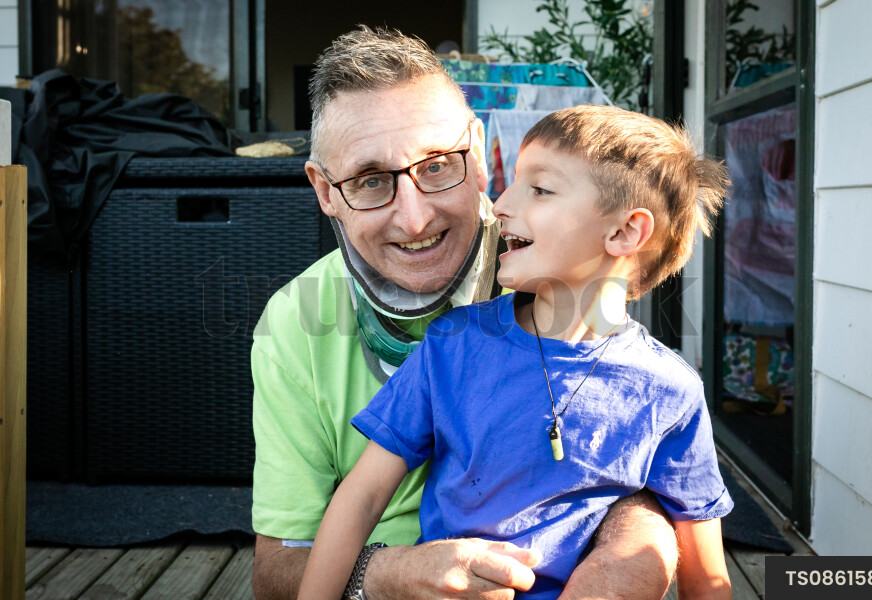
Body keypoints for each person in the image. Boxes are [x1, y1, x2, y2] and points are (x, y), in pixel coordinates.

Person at [252, 27, 679, 600]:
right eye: (371, 181)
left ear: (477, 154)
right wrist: (392, 576)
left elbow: (636, 436)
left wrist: (628, 545)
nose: (416, 218)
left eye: (435, 166)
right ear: (325, 191)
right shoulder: (293, 321)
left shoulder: (560, 264)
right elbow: (278, 565)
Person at [294, 104, 735, 600]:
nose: (499, 204)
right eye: (511, 182)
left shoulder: (670, 390)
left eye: (539, 189)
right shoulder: (452, 346)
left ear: (624, 233)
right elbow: (362, 495)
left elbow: (705, 573)